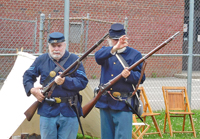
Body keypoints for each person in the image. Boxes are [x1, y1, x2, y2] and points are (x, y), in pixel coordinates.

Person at [23, 32, 88, 139]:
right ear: (49, 46)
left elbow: (82, 82)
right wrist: (32, 90)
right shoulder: (41, 59)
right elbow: (27, 75)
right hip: (47, 110)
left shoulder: (74, 60)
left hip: (69, 110)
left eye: (59, 46)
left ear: (65, 45)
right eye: (53, 46)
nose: (56, 49)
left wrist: (65, 81)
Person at [94, 23, 145, 139]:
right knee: (106, 136)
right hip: (105, 101)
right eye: (114, 40)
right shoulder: (106, 52)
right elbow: (97, 57)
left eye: (119, 39)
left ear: (125, 38)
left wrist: (129, 75)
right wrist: (114, 49)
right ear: (110, 40)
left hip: (123, 103)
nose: (117, 42)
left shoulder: (134, 54)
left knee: (123, 136)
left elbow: (141, 78)